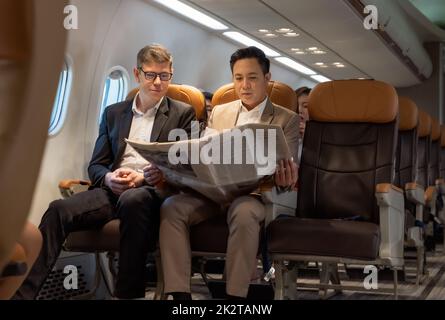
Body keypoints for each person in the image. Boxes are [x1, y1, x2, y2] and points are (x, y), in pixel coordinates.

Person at [14, 44, 196, 300]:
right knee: (58, 209)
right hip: (112, 190)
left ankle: (127, 295)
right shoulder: (114, 113)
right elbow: (97, 164)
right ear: (136, 74)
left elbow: (185, 165)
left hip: (152, 191)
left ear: (171, 74)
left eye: (164, 76)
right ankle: (23, 294)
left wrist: (145, 176)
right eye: (150, 75)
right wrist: (109, 178)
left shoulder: (183, 114)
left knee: (135, 199)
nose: (157, 82)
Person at [159, 46, 299, 300]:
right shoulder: (220, 112)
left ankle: (234, 298)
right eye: (238, 78)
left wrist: (286, 177)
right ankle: (179, 295)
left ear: (267, 79)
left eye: (252, 78)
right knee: (172, 206)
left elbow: (287, 170)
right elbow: (206, 154)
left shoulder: (285, 119)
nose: (244, 85)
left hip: (254, 195)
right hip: (213, 194)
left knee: (244, 213)